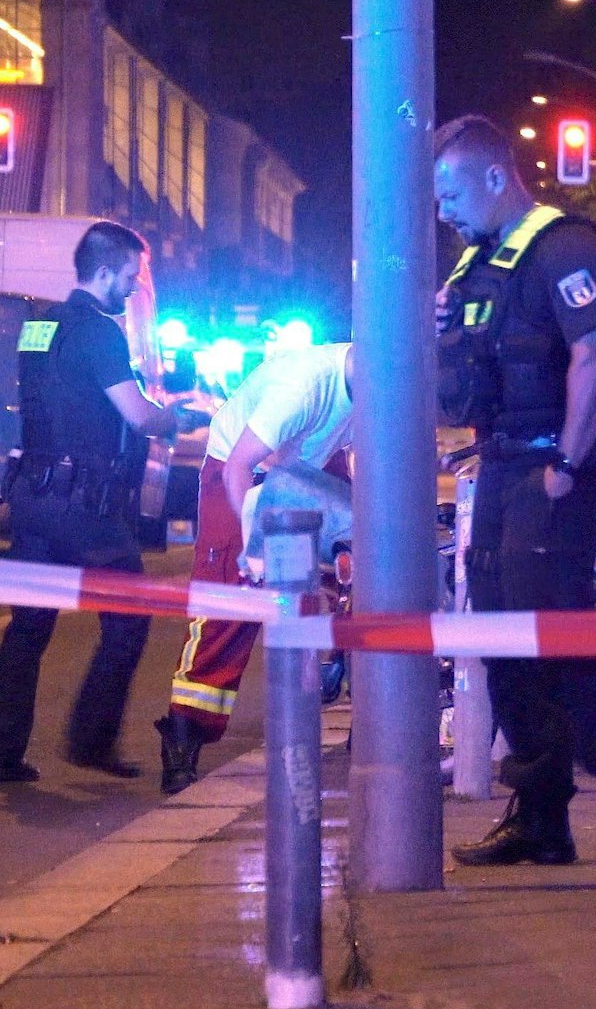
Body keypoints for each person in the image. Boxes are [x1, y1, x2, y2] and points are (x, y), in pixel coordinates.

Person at [432, 114, 596, 867]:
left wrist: (565, 460)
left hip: (558, 470)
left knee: (551, 629)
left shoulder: (565, 246)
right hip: (500, 466)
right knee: (499, 636)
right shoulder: (477, 268)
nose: (443, 211)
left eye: (452, 192)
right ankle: (541, 815)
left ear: (496, 176)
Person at [0, 222, 185, 782]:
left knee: (28, 629)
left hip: (33, 497)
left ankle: (3, 753)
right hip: (85, 510)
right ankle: (90, 739)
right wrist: (172, 418)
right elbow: (137, 413)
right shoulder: (102, 332)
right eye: (129, 277)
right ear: (103, 272)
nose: (131, 290)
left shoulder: (37, 327)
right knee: (129, 618)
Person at [151, 343, 354, 795]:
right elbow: (239, 467)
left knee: (358, 570)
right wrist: (254, 545)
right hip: (239, 468)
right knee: (229, 599)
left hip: (307, 464)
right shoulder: (301, 387)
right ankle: (184, 734)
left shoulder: (380, 386)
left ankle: (348, 685)